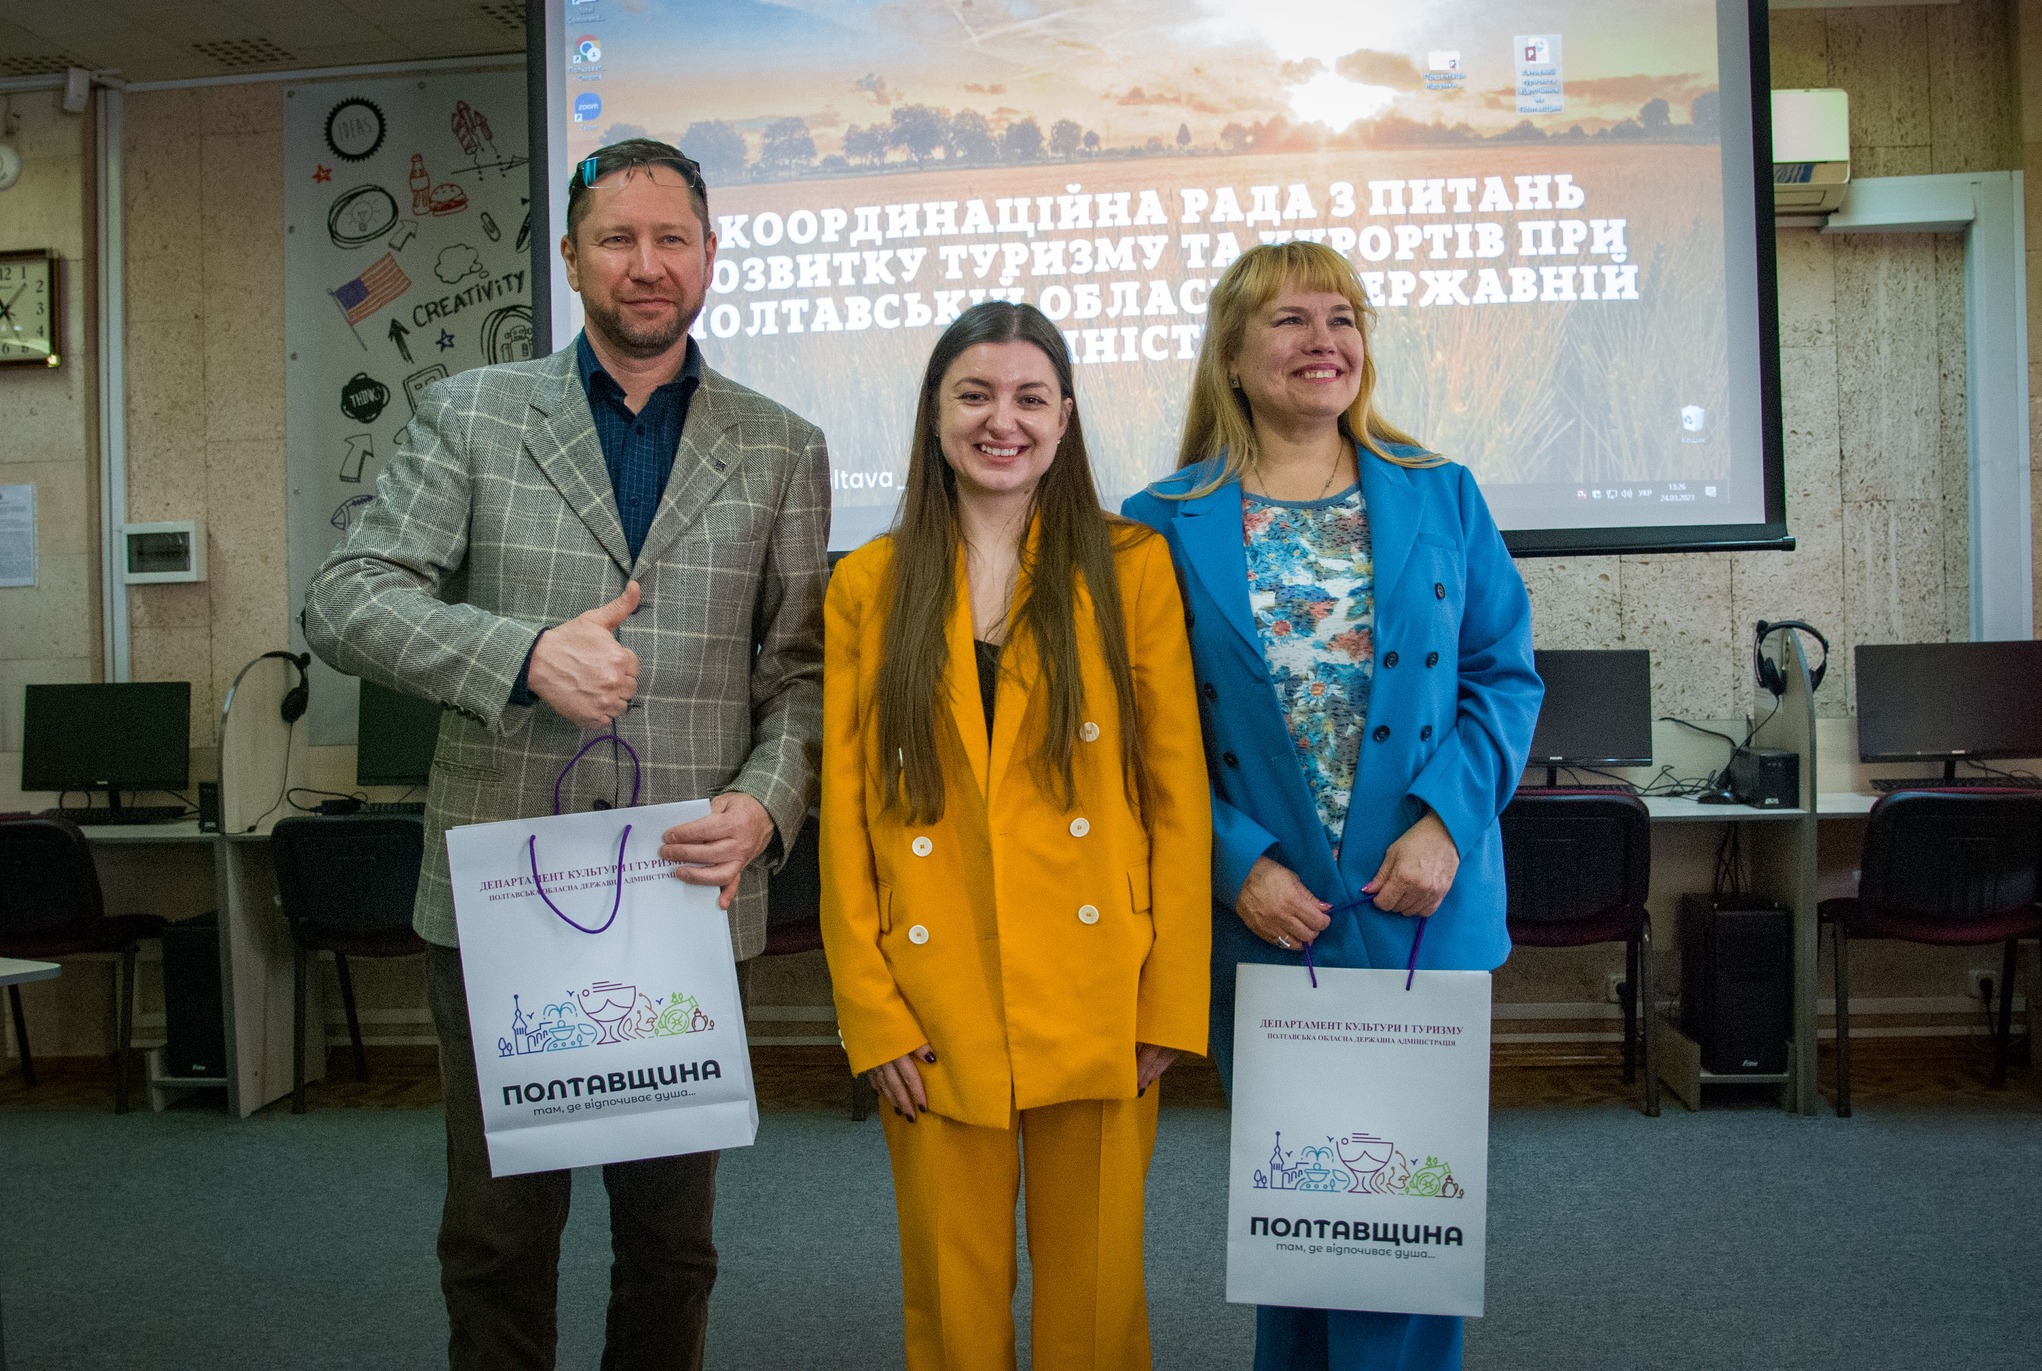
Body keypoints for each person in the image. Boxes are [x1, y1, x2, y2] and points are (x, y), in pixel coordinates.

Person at [303, 138, 828, 1371]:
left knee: (670, 1241)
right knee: (497, 1231)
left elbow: (799, 673)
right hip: (502, 892)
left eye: (671, 240)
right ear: (572, 258)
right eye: (617, 241)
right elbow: (345, 599)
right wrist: (519, 651)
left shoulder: (782, 444)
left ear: (708, 255)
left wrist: (764, 806)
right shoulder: (473, 413)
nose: (646, 267)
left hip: (685, 890)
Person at [1123, 241, 1542, 1371]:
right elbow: (1133, 736)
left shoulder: (1438, 491)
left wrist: (1446, 822)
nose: (1323, 341)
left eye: (1342, 318)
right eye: (1290, 321)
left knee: (1402, 1221)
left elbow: (1503, 677)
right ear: (1230, 353)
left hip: (1419, 898)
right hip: (1270, 912)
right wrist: (1232, 865)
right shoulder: (1157, 519)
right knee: (1299, 1212)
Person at [818, 301, 1210, 1370]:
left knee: (1094, 1300)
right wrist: (870, 1011)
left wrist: (1170, 993)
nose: (1004, 420)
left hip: (1099, 986)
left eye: (1030, 397)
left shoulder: (1128, 566)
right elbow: (849, 816)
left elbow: (1173, 796)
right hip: (932, 991)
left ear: (1065, 416)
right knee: (950, 1302)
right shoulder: (867, 582)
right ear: (934, 414)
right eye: (975, 394)